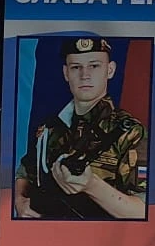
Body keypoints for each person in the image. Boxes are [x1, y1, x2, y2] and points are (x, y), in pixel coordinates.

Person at [13, 35, 148, 220]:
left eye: (94, 66)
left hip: (102, 241)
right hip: (45, 238)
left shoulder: (130, 133)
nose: (85, 75)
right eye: (76, 67)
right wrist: (19, 200)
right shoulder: (48, 128)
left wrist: (91, 185)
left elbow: (142, 210)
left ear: (110, 70)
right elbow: (25, 170)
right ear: (66, 73)